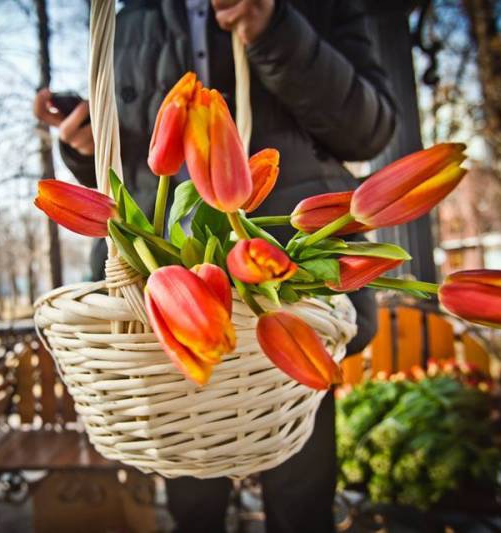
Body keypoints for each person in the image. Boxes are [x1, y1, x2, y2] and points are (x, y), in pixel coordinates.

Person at [34, 1, 397, 531]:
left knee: (301, 487)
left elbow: (369, 130)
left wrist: (273, 30)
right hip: (164, 285)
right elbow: (135, 164)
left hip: (288, 277)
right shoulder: (126, 16)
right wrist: (85, 150)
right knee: (191, 497)